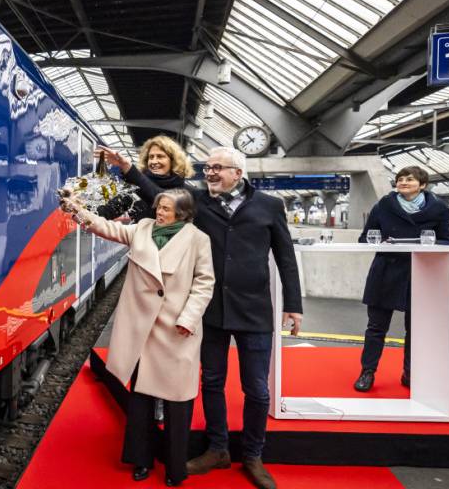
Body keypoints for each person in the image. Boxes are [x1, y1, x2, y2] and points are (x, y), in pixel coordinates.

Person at [100, 145, 302, 489]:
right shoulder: (199, 202)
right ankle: (218, 448)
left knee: (256, 389)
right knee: (211, 382)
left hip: (254, 310)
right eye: (207, 168)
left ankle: (253, 455)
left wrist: (293, 304)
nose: (209, 173)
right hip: (210, 312)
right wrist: (127, 168)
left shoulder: (270, 206)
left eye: (217, 168)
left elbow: (285, 255)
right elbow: (158, 194)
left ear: (238, 173)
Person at [61, 188, 214, 487]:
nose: (159, 213)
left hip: (176, 329)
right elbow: (108, 227)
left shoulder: (198, 239)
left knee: (177, 403)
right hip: (143, 330)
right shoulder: (143, 229)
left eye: (167, 209)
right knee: (141, 400)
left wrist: (188, 318)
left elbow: (204, 282)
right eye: (159, 207)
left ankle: (174, 466)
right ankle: (140, 460)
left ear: (182, 214)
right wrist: (76, 209)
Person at [353, 166, 449, 392]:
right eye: (400, 179)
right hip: (385, 272)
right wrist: (381, 242)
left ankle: (410, 373)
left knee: (415, 329)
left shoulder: (438, 209)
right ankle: (367, 372)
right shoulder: (383, 206)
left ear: (423, 184)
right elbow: (365, 238)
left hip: (419, 273)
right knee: (376, 327)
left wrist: (423, 244)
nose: (403, 182)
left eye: (410, 179)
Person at [97, 135, 195, 221]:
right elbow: (106, 211)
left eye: (160, 156)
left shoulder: (187, 192)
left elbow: (161, 197)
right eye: (151, 157)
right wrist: (83, 210)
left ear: (173, 161)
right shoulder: (136, 188)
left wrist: (129, 168)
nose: (154, 161)